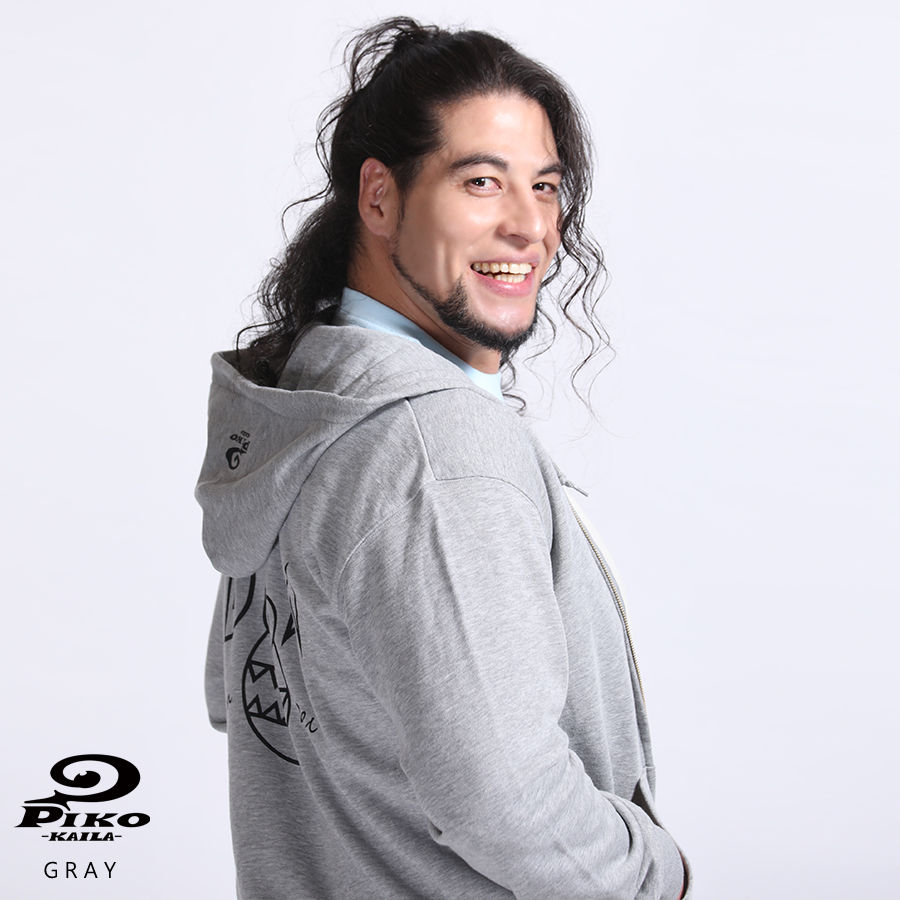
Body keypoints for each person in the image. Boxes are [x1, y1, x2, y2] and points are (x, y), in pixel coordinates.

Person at [197, 17, 690, 900]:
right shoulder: (436, 452)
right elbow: (508, 805)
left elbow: (246, 703)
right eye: (481, 181)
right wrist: (660, 877)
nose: (530, 226)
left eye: (545, 187)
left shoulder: (306, 415)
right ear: (379, 198)